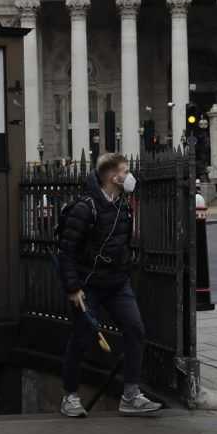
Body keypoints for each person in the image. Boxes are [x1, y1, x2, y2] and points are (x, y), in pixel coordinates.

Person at [56, 153, 162, 418]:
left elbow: (123, 244)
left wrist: (124, 270)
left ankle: (130, 395)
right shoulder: (85, 208)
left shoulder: (123, 206)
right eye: (125, 171)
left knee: (135, 329)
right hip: (88, 285)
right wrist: (73, 288)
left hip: (116, 283)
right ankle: (69, 396)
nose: (129, 176)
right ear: (113, 177)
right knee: (81, 338)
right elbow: (66, 251)